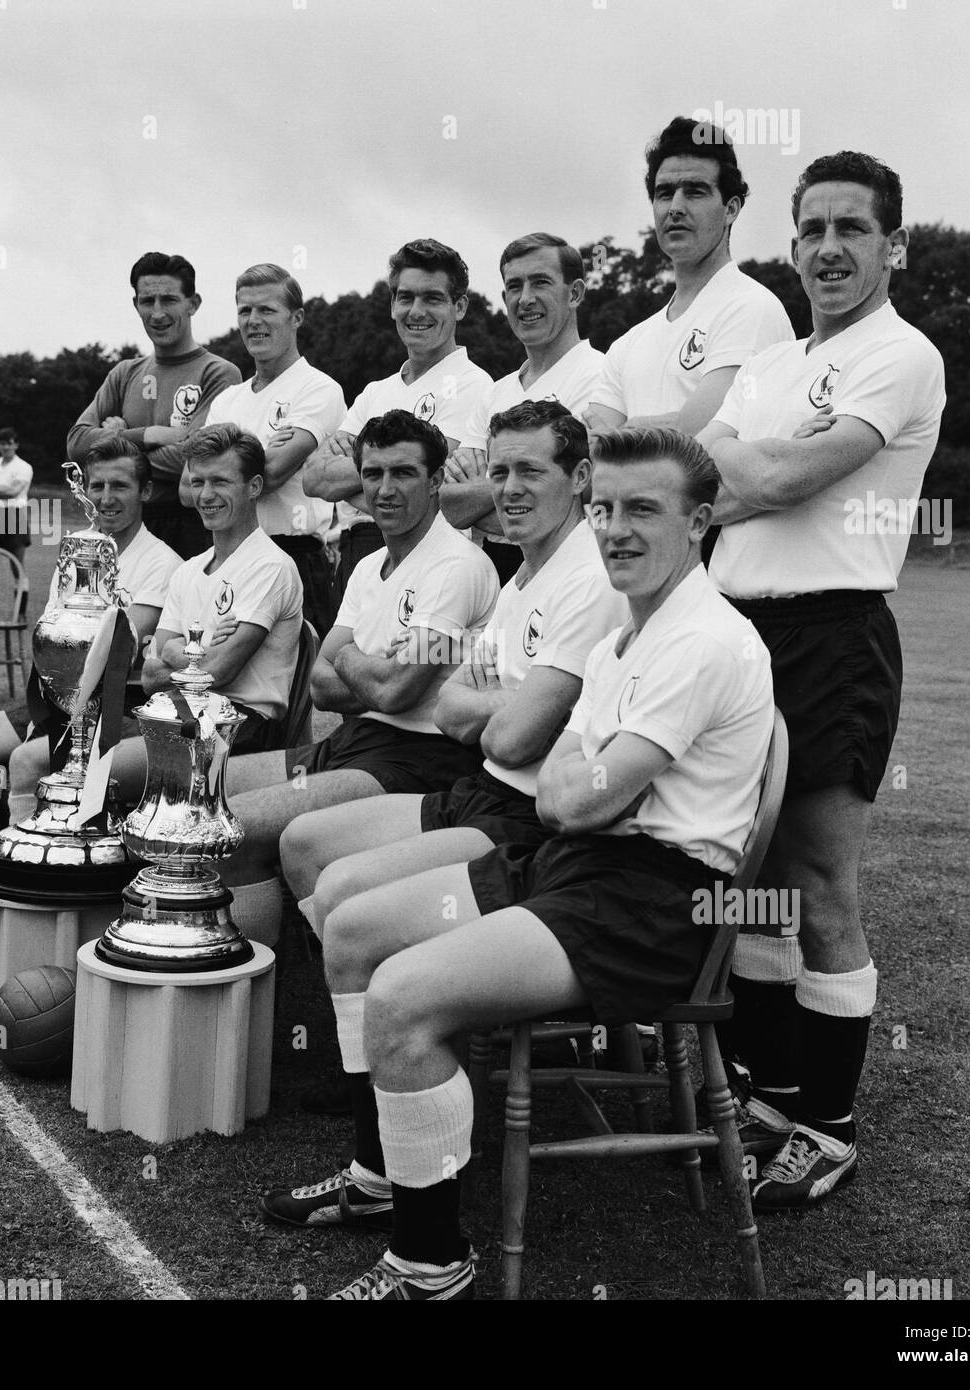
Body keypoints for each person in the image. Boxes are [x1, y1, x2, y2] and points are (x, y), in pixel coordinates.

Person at [260, 427, 773, 1299]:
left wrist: (584, 781)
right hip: (579, 864)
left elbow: (568, 793)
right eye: (607, 508)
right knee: (352, 928)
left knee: (401, 996)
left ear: (701, 520)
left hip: (651, 905)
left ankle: (429, 1263)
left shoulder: (701, 641)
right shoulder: (627, 638)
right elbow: (561, 787)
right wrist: (586, 780)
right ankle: (384, 1172)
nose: (615, 528)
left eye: (643, 509)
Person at [697, 151, 946, 1209]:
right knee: (748, 886)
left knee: (817, 888)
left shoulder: (901, 354)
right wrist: (747, 468)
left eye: (852, 229)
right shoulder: (763, 365)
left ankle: (828, 1129)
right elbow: (703, 476)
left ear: (892, 245)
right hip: (731, 638)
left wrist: (754, 468)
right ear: (790, 241)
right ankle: (768, 1096)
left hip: (831, 637)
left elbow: (777, 476)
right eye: (811, 230)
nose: (828, 249)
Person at [281, 400, 626, 919]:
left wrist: (495, 705)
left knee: (343, 891)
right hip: (476, 784)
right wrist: (511, 704)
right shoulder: (520, 578)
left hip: (514, 807)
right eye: (500, 472)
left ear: (581, 477)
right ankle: (348, 980)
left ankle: (373, 973)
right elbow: (440, 706)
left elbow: (488, 729)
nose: (509, 488)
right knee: (302, 842)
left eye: (530, 470)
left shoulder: (578, 578)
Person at [217, 409, 498, 952]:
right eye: (373, 474)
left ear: (437, 480)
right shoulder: (369, 567)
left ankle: (289, 1005)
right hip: (354, 742)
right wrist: (365, 664)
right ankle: (253, 983)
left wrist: (349, 659)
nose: (385, 490)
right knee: (201, 786)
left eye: (404, 474)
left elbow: (397, 692)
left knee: (233, 827)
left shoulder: (455, 565)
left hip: (421, 758)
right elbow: (324, 685)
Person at [0, 436, 180, 853]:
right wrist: (40, 715)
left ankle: (19, 887)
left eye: (120, 486)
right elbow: (48, 645)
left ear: (145, 491)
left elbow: (115, 655)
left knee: (24, 761)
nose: (106, 498)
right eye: (97, 486)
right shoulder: (74, 552)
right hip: (55, 702)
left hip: (119, 709)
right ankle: (11, 858)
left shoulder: (162, 563)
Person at [104, 422, 304, 806]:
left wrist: (179, 653)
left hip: (240, 727)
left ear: (254, 487)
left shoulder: (270, 565)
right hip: (182, 712)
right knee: (75, 757)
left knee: (101, 770)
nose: (206, 495)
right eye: (197, 482)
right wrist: (205, 648)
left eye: (220, 482)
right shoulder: (189, 569)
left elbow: (222, 670)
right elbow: (149, 676)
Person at [302, 240, 492, 595]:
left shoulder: (473, 385)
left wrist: (351, 475)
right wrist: (395, 484)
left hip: (428, 557)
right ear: (392, 305)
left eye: (432, 299)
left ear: (460, 306)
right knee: (342, 651)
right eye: (406, 297)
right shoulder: (375, 391)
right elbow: (313, 479)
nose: (416, 311)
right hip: (355, 553)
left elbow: (429, 493)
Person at [584, 116, 793, 438]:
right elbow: (585, 445)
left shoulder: (752, 309)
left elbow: (706, 431)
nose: (675, 208)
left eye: (695, 192)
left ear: (731, 208)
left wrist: (621, 433)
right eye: (664, 193)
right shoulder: (629, 343)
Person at [440, 233, 604, 582]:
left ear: (574, 293)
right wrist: (540, 484)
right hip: (491, 571)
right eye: (514, 286)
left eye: (540, 283)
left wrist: (484, 492)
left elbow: (589, 494)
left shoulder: (602, 377)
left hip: (573, 570)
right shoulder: (494, 394)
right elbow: (450, 504)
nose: (525, 299)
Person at [201, 264, 346, 638]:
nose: (254, 321)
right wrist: (261, 453)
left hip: (294, 554)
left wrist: (228, 468)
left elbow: (276, 471)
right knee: (214, 677)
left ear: (297, 318)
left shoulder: (318, 389)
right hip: (226, 557)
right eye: (245, 310)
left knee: (296, 689)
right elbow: (190, 489)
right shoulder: (226, 401)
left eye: (267, 310)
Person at [67, 251, 244, 559]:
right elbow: (77, 443)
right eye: (148, 301)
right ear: (136, 304)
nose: (158, 313)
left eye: (169, 300)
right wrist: (147, 435)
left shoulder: (219, 373)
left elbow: (194, 462)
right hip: (124, 528)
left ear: (193, 303)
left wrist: (117, 448)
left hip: (191, 529)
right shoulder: (124, 373)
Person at [0, 428, 34, 566]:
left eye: (9, 443)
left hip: (14, 514)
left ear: (16, 445)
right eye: (2, 443)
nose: (6, 447)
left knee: (16, 560)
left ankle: (20, 587)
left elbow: (13, 492)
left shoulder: (24, 467)